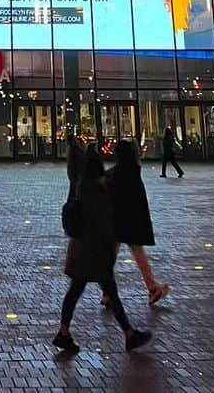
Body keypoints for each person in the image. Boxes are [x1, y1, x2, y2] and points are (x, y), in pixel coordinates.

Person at [53, 147, 150, 355]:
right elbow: (105, 228)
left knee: (75, 292)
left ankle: (64, 332)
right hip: (96, 255)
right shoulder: (100, 198)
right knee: (111, 294)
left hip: (79, 253)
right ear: (99, 176)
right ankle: (129, 334)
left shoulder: (81, 191)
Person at [107, 140, 169, 305]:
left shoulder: (115, 174)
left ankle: (107, 292)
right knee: (137, 254)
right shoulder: (134, 172)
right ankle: (151, 287)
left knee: (110, 256)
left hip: (116, 221)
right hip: (132, 222)